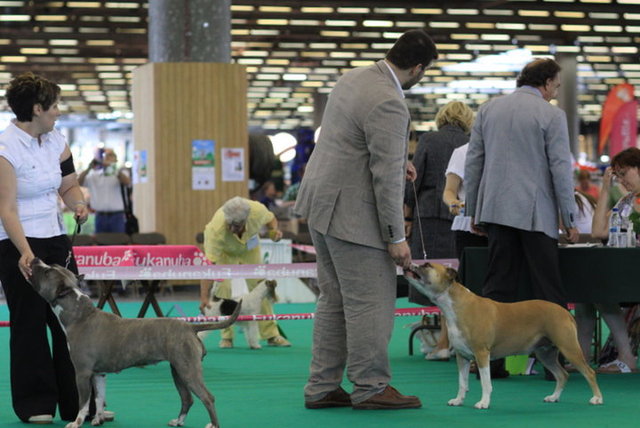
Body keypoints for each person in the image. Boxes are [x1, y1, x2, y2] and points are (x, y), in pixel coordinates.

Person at [295, 29, 438, 410]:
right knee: (370, 303)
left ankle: (322, 386)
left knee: (334, 301)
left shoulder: (352, 77)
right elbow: (385, 177)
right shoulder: (391, 101)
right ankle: (371, 386)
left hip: (321, 207)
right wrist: (395, 236)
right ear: (418, 68)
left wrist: (400, 159)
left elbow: (350, 141)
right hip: (353, 217)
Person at [464, 58, 579, 377]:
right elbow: (560, 170)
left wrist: (473, 209)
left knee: (497, 288)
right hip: (536, 214)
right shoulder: (552, 115)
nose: (556, 91)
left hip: (497, 211)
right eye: (556, 85)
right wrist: (569, 217)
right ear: (545, 82)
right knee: (548, 290)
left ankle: (489, 362)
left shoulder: (488, 109)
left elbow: (473, 163)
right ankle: (554, 363)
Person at [0, 72, 94, 424]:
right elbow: (6, 207)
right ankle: (36, 403)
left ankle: (80, 404)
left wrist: (77, 203)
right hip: (16, 241)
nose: (58, 111)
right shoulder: (5, 149)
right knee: (29, 323)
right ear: (37, 108)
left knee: (74, 321)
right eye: (53, 105)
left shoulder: (57, 141)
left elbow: (68, 184)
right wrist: (25, 252)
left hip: (55, 238)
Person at [199, 196, 290, 348]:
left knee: (261, 288)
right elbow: (209, 266)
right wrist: (203, 297)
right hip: (225, 252)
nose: (232, 229)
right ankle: (227, 337)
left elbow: (271, 218)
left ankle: (271, 335)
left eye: (236, 225)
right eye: (230, 225)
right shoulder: (215, 230)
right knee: (223, 288)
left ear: (247, 219)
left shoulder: (257, 210)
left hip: (250, 246)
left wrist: (274, 230)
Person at [588, 148, 640, 373]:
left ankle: (626, 358)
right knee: (586, 291)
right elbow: (598, 232)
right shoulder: (625, 202)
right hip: (626, 270)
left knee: (600, 290)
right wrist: (605, 190)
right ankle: (581, 354)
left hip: (632, 273)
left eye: (623, 173)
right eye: (616, 175)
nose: (621, 179)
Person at [404, 100, 473, 261]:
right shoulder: (471, 145)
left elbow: (414, 179)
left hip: (427, 213)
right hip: (459, 215)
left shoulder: (428, 139)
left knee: (425, 268)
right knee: (452, 269)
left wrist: (407, 217)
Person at [78, 147, 130, 233]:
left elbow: (127, 182)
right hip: (100, 216)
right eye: (106, 156)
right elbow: (78, 182)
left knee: (119, 243)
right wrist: (89, 168)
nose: (108, 158)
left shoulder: (120, 174)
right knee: (100, 243)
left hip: (117, 216)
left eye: (111, 156)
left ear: (116, 159)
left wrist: (113, 167)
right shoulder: (94, 176)